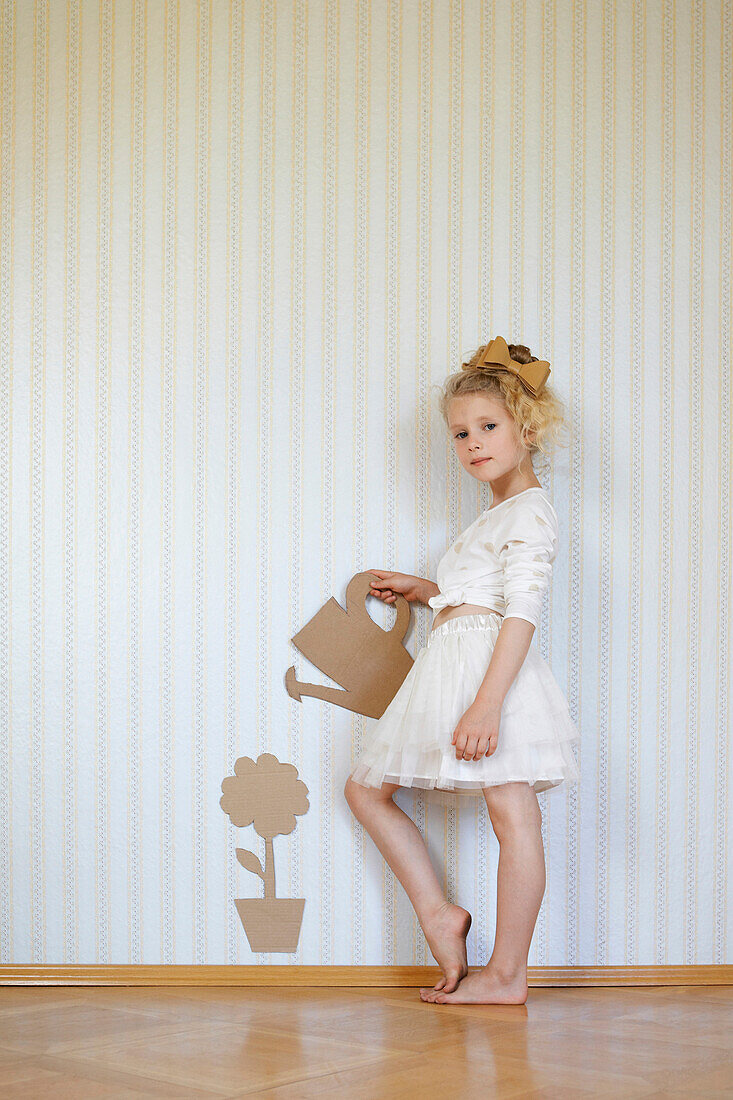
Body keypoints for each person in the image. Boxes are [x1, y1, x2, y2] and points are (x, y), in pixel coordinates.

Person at [343, 336, 580, 1006]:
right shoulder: (499, 512)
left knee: (512, 814)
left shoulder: (530, 509)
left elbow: (520, 612)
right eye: (460, 433)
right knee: (367, 790)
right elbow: (486, 594)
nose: (473, 442)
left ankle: (506, 974)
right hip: (459, 662)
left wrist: (485, 705)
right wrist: (428, 591)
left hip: (488, 677)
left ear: (525, 429)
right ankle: (440, 916)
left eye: (487, 426)